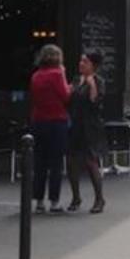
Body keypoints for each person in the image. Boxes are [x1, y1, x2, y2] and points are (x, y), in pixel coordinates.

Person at [28, 43, 72, 213]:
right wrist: (69, 85)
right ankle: (54, 201)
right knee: (56, 163)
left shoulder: (36, 75)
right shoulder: (57, 74)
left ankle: (38, 201)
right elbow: (65, 96)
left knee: (39, 162)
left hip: (38, 121)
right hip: (56, 121)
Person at [66, 51, 108, 214]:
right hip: (74, 125)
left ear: (93, 65)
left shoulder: (98, 81)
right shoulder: (76, 80)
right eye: (81, 61)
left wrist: (92, 86)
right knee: (71, 162)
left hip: (90, 127)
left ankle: (99, 199)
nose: (81, 64)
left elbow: (95, 102)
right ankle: (76, 197)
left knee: (91, 162)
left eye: (85, 62)